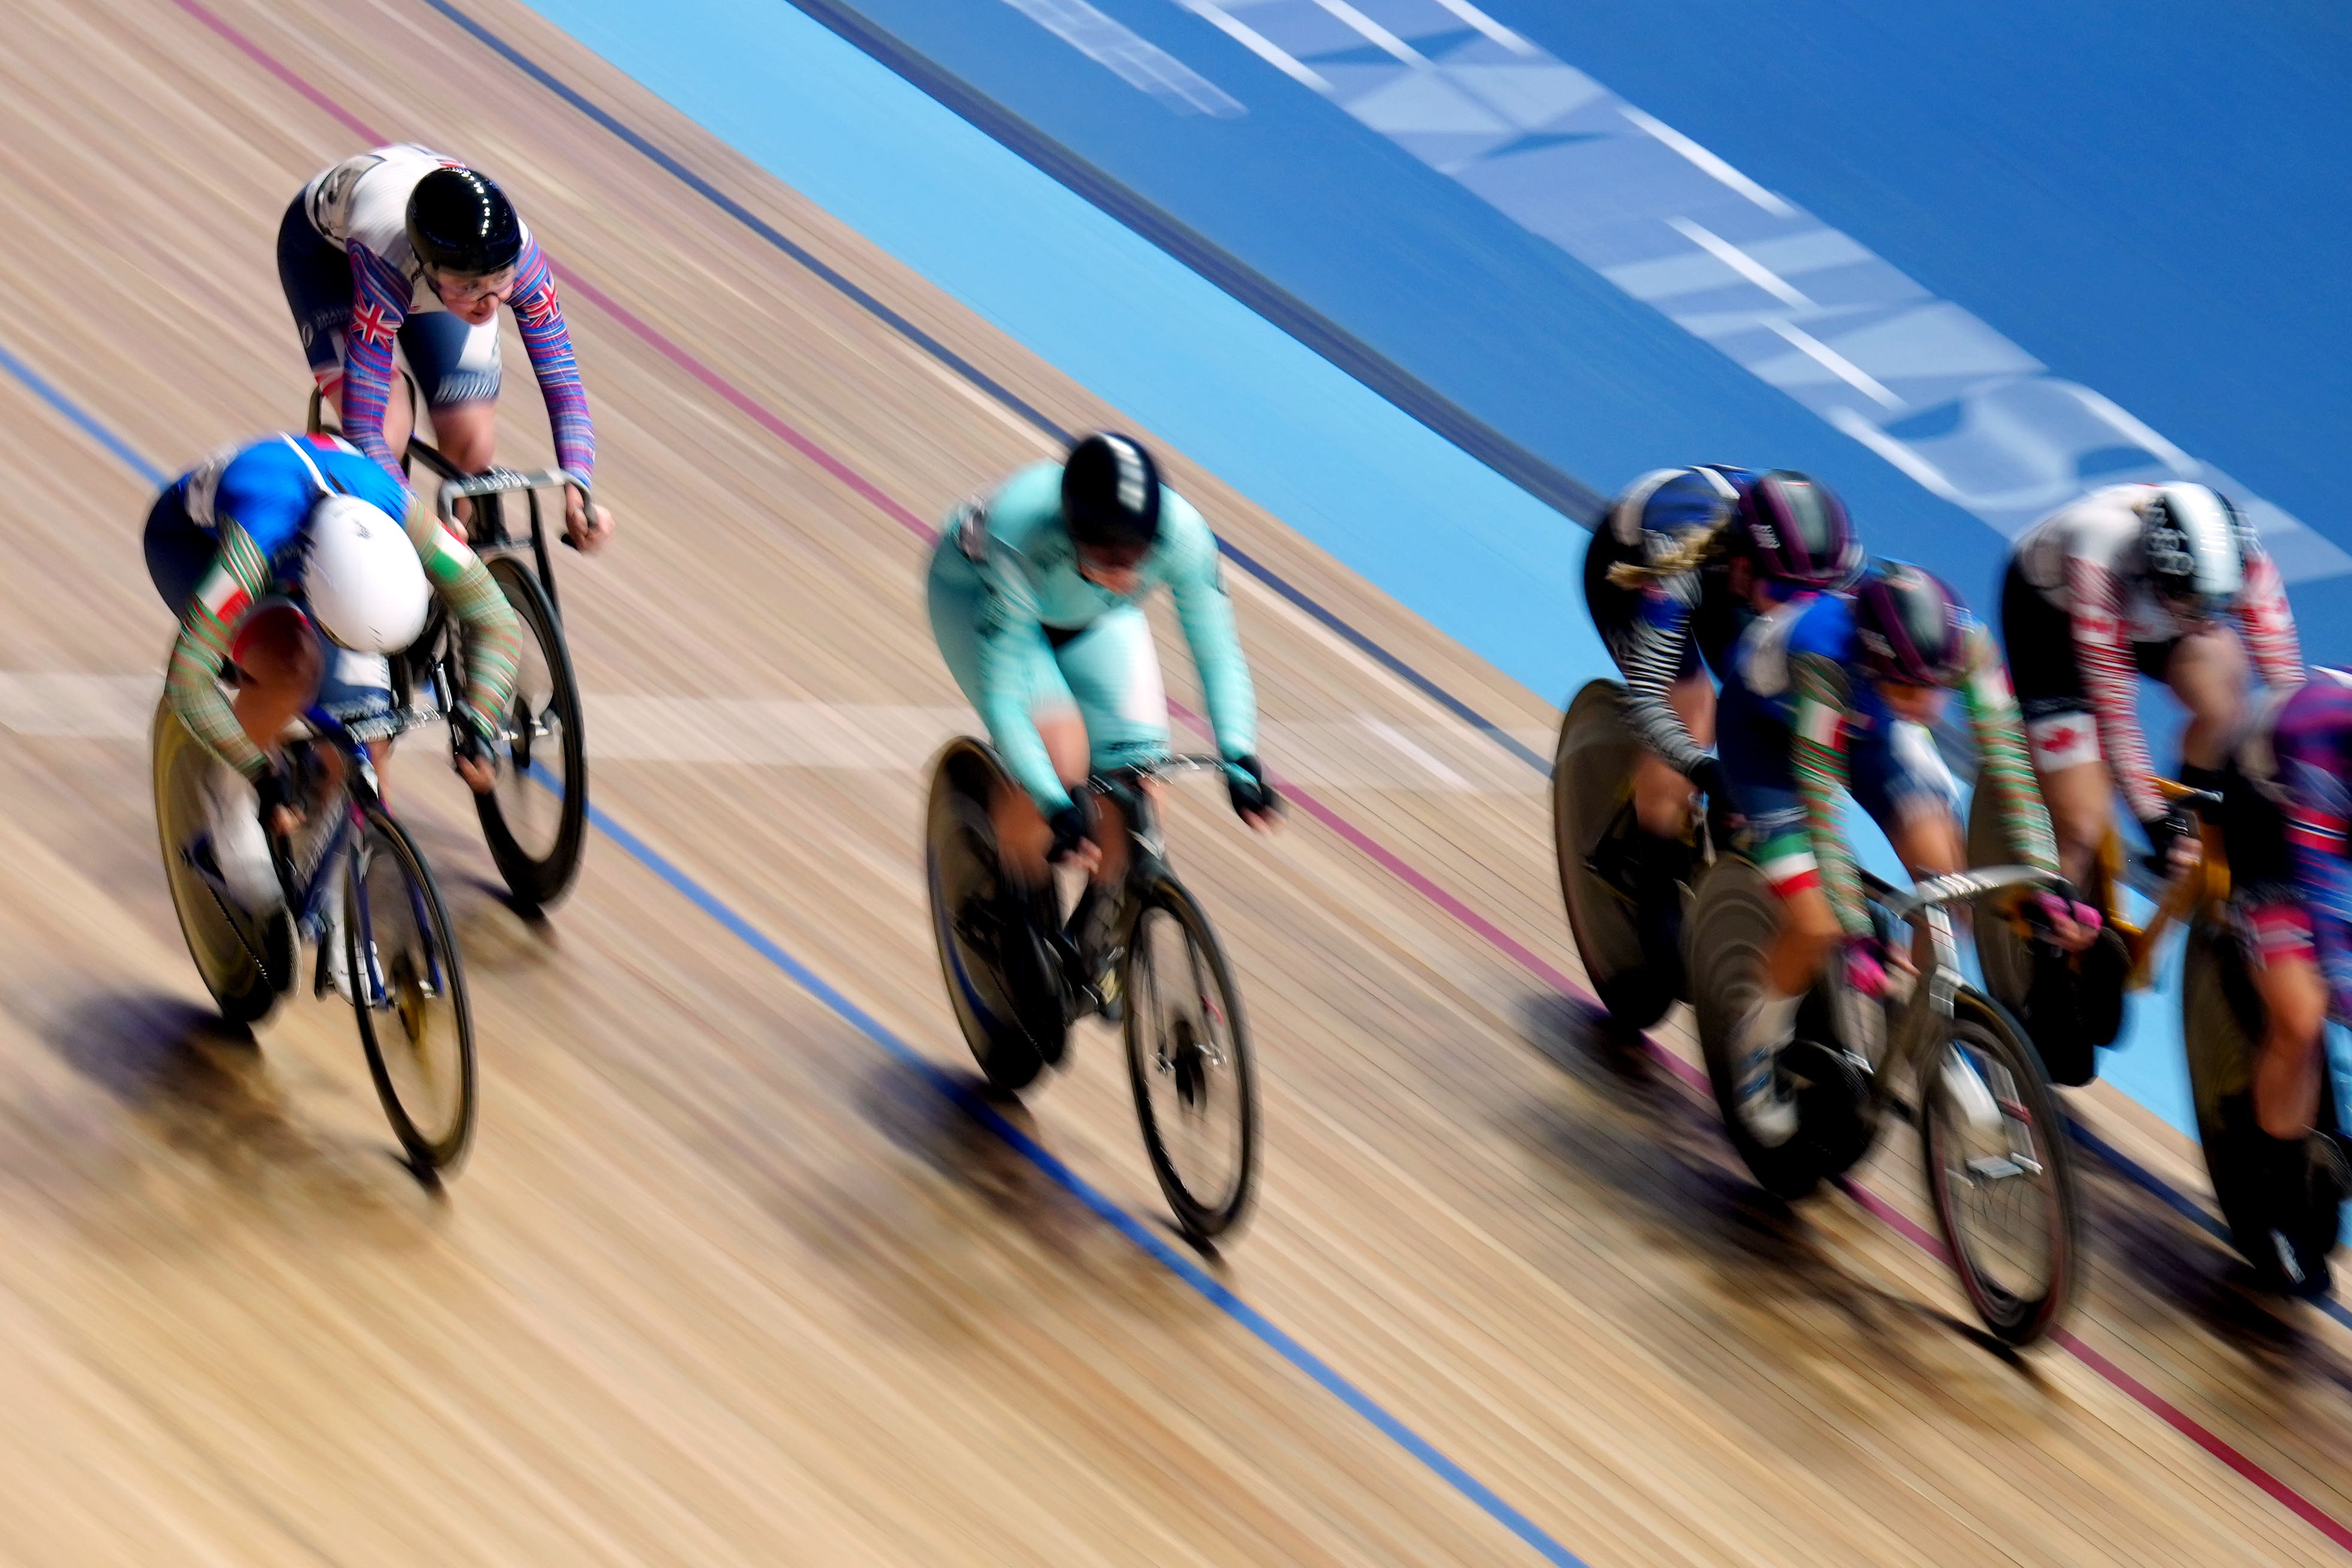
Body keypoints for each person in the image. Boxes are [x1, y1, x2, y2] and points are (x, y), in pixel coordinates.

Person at [1714, 561, 2096, 1143]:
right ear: (1874, 662)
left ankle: (1925, 1024)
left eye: (1935, 688)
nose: (1930, 707)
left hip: (1871, 727)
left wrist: (2045, 879)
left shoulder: (1966, 644)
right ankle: (1754, 1048)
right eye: (1909, 688)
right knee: (1815, 924)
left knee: (1948, 878)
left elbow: (2011, 765)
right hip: (1768, 737)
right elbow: (1820, 801)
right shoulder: (1824, 653)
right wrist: (1850, 925)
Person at [146, 432, 523, 980]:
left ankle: (347, 908)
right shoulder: (257, 533)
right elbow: (188, 681)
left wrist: (481, 719)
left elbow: (495, 617)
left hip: (324, 548)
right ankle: (225, 805)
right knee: (292, 668)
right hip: (194, 544)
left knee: (367, 730)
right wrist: (261, 772)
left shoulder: (398, 511)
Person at [927, 433, 1279, 984]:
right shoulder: (1021, 533)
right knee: (1063, 755)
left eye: (1135, 556)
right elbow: (1004, 698)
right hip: (977, 597)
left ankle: (1098, 928)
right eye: (1107, 556)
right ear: (1072, 533)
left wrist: (1239, 754)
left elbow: (1218, 653)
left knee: (1139, 776)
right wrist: (1054, 802)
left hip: (1092, 616)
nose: (1125, 570)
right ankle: (1015, 904)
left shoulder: (1183, 537)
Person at [279, 144, 614, 551]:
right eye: (471, 287)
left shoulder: (519, 262)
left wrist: (579, 491)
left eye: (499, 282)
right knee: (390, 423)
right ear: (428, 268)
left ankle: (461, 579)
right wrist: (416, 522)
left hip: (434, 269)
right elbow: (366, 428)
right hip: (323, 259)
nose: (489, 303)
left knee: (472, 440)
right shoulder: (388, 264)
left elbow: (565, 391)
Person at [1583, 467, 1859, 942]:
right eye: (1782, 594)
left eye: (1808, 598)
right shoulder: (1678, 564)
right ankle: (1655, 877)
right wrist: (1703, 770)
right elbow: (1650, 702)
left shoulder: (1836, 567)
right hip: (1631, 566)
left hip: (1731, 588)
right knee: (1692, 714)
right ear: (1744, 565)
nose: (1790, 612)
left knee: (1773, 700)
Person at [2001, 482, 2298, 890]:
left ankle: (2198, 794)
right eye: (2190, 602)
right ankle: (2051, 920)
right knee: (2080, 826)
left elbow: (2290, 695)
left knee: (2223, 686)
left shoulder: (2251, 567)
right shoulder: (2098, 547)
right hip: (2052, 621)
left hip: (2149, 607)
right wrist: (2153, 819)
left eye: (2213, 605)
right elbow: (2114, 710)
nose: (2201, 618)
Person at [2216, 670, 2352, 1293]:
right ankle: (2266, 1183)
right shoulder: (2319, 726)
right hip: (2270, 826)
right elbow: (2318, 884)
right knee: (2300, 1016)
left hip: (2332, 819)